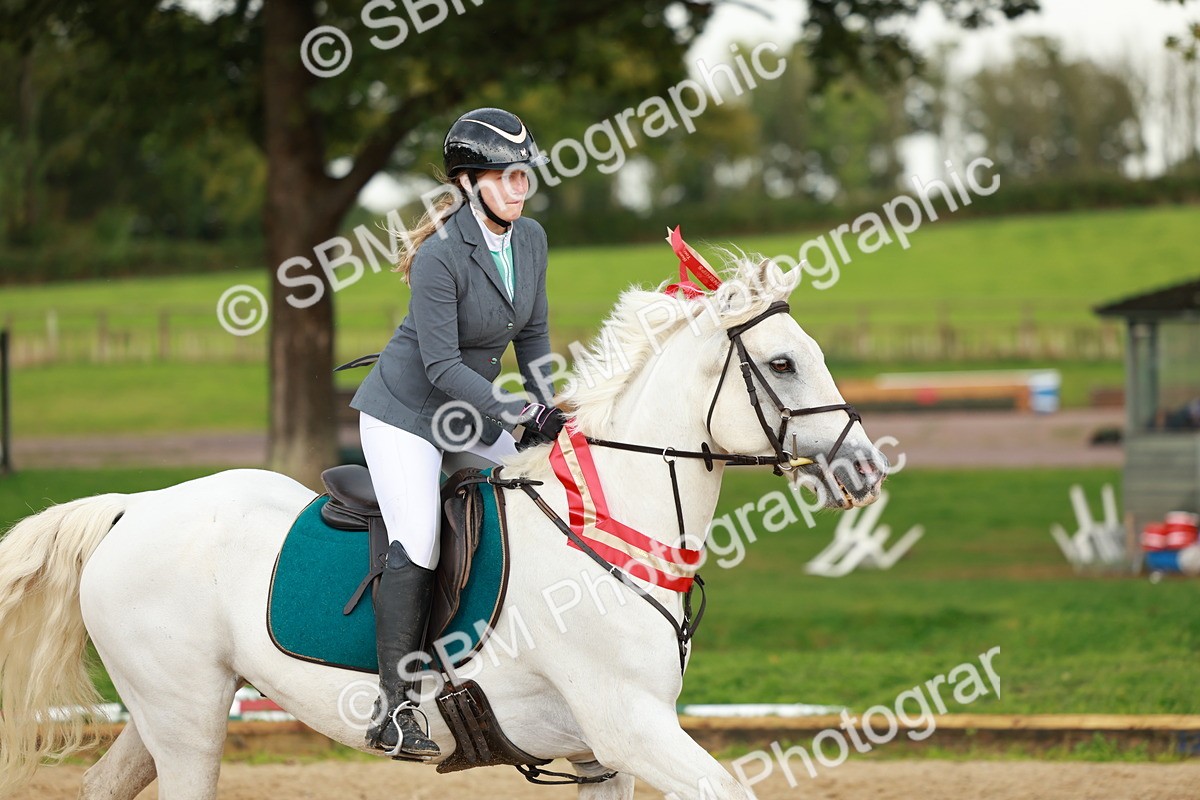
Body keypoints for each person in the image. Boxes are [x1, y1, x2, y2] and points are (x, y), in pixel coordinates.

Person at [348, 107, 566, 758]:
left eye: (524, 175)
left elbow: (532, 337)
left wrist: (549, 405)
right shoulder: (441, 256)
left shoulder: (531, 241)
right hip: (406, 414)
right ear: (471, 183)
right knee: (418, 536)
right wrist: (519, 415)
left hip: (472, 410)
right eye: (506, 176)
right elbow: (441, 367)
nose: (520, 188)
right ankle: (394, 708)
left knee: (547, 487)